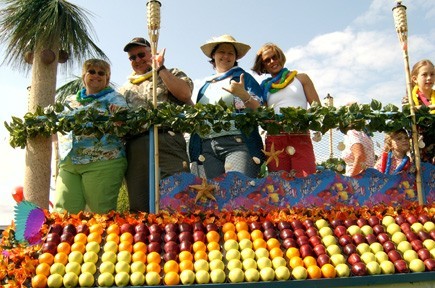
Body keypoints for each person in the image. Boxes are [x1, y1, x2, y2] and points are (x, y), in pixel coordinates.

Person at [119, 37, 193, 212]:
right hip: (136, 144)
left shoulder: (170, 73)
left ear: (151, 53)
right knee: (139, 204)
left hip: (168, 139)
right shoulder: (124, 89)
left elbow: (184, 94)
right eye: (132, 57)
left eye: (141, 54)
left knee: (177, 196)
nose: (137, 60)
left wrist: (160, 68)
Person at [54, 59, 128, 214]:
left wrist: (118, 117)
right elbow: (57, 125)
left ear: (107, 79)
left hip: (102, 161)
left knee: (101, 214)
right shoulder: (70, 100)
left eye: (101, 73)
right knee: (63, 215)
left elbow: (124, 122)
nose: (96, 75)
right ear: (84, 76)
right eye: (91, 71)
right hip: (69, 163)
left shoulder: (114, 98)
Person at [189, 34, 265, 179]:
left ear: (236, 58)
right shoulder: (205, 86)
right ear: (213, 55)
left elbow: (259, 109)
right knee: (215, 195)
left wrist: (243, 94)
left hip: (238, 143)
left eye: (231, 53)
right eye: (221, 52)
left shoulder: (243, 78)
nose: (226, 56)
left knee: (237, 189)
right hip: (208, 147)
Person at [252, 43, 320, 177]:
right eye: (267, 60)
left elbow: (317, 107)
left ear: (281, 57)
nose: (272, 61)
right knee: (280, 185)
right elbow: (262, 114)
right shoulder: (264, 87)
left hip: (300, 134)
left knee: (306, 180)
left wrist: (316, 127)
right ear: (263, 65)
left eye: (275, 57)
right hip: (275, 139)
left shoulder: (301, 78)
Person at [409, 59, 435, 164]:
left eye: (432, 74)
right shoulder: (410, 99)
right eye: (424, 74)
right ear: (415, 79)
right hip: (420, 149)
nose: (429, 78)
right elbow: (408, 112)